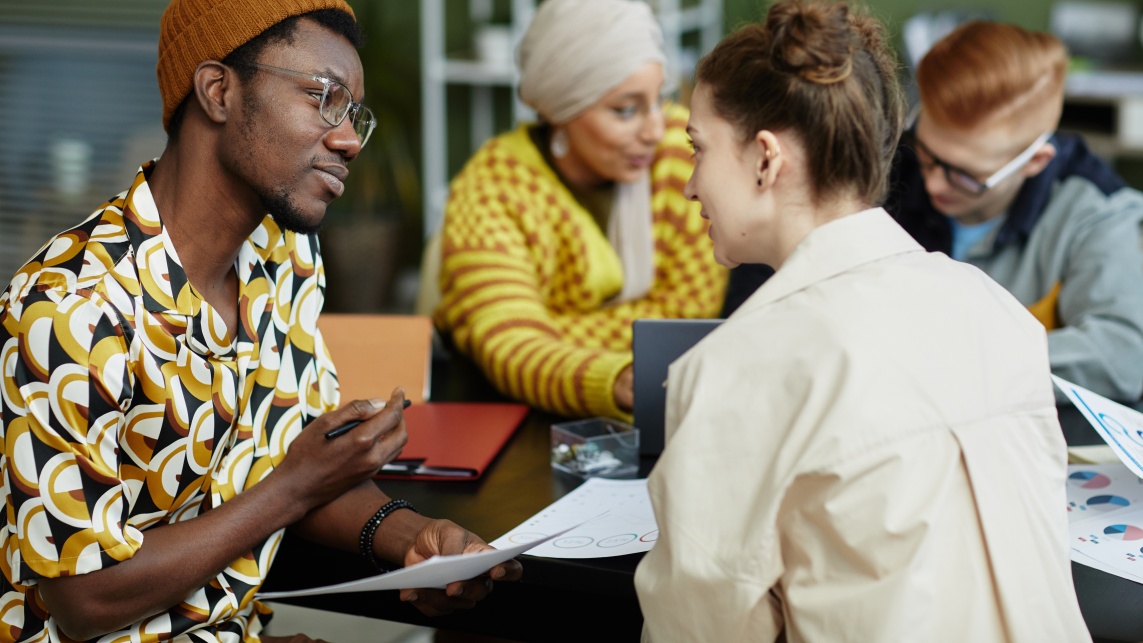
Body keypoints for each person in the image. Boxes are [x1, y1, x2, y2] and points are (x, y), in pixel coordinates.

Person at [0, 1, 521, 641]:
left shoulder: (284, 259)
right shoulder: (70, 307)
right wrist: (290, 490)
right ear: (219, 91)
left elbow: (300, 465)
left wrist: (417, 539)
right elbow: (85, 598)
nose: (350, 139)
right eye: (323, 98)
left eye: (355, 114)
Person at [633, 2, 1090, 641]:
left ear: (766, 159)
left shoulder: (736, 369)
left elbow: (701, 631)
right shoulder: (997, 311)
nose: (688, 185)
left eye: (697, 149)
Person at [723, 19, 1143, 403]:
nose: (935, 182)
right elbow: (764, 287)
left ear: (1035, 161)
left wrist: (960, 359)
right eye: (929, 154)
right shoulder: (883, 168)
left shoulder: (1099, 212)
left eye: (965, 174)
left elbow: (1123, 355)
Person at [433, 0, 727, 421]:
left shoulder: (683, 155)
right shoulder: (491, 190)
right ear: (560, 109)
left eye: (658, 100)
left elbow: (689, 317)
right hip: (519, 422)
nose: (654, 129)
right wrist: (618, 373)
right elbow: (510, 346)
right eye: (625, 110)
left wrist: (549, 331)